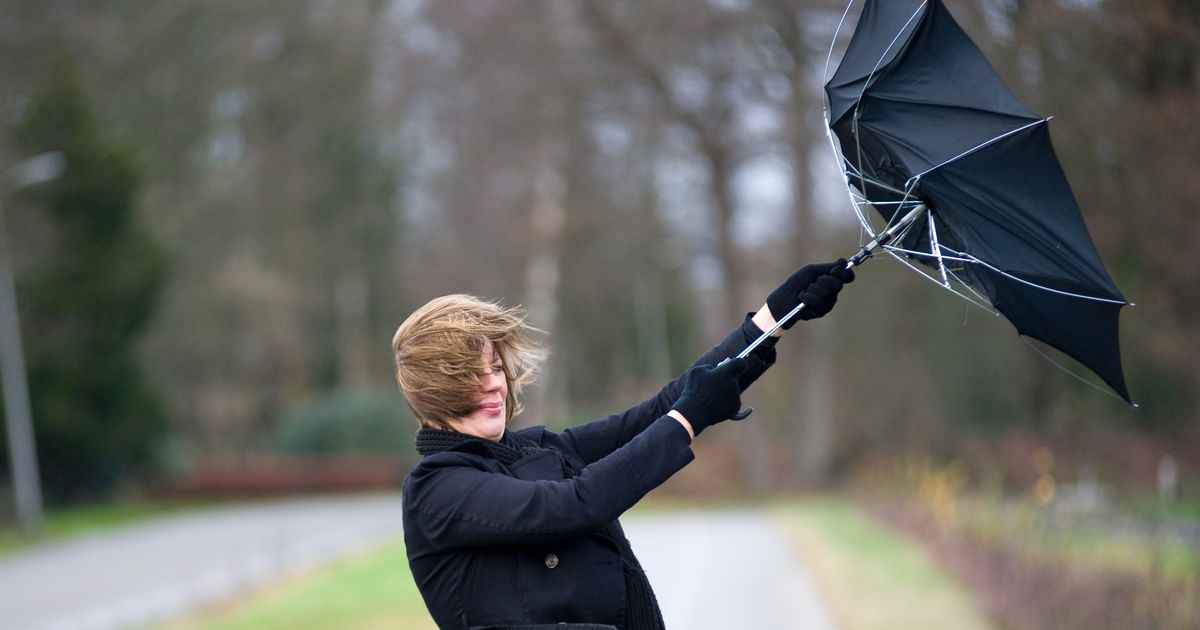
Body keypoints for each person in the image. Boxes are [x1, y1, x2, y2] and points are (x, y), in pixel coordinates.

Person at [392, 260, 855, 630]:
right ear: (434, 391)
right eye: (471, 377)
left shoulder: (536, 451)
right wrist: (687, 419)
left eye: (495, 368)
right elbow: (572, 506)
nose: (494, 386)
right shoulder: (437, 490)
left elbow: (657, 411)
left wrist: (771, 321)